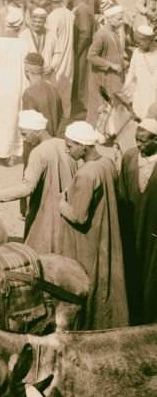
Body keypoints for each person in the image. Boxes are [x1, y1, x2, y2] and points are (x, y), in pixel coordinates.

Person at [59, 120, 128, 329]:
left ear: (83, 146)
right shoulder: (107, 163)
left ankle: (88, 326)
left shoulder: (86, 174)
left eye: (70, 146)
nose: (66, 150)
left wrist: (62, 204)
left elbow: (79, 217)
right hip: (105, 233)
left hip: (87, 241)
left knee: (86, 282)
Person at [0, 110, 76, 255]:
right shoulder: (65, 145)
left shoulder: (38, 152)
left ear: (37, 131)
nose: (24, 139)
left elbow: (27, 188)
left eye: (24, 134)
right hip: (66, 213)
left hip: (46, 216)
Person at [0, 6, 35, 162]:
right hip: (16, 85)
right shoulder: (24, 44)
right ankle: (12, 153)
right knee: (12, 117)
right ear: (20, 25)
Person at [119, 118, 157, 323]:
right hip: (133, 228)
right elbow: (122, 193)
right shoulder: (129, 157)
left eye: (143, 141)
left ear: (156, 140)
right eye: (137, 140)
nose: (139, 145)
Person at [86, 4, 126, 125]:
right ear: (110, 18)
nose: (122, 22)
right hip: (102, 80)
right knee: (98, 109)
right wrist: (111, 65)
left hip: (112, 79)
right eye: (119, 19)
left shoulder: (113, 33)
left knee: (112, 110)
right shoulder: (101, 35)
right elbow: (91, 56)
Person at [42, 0, 74, 121]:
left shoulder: (53, 17)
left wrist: (48, 64)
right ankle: (65, 122)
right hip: (68, 57)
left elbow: (51, 42)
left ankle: (53, 122)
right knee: (66, 92)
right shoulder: (70, 14)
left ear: (49, 0)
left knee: (53, 92)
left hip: (56, 58)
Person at [21, 51, 63, 138]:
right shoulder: (54, 90)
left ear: (27, 70)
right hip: (52, 139)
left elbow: (29, 128)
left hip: (38, 142)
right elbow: (60, 118)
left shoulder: (29, 93)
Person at [123, 24, 157, 121]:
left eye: (139, 42)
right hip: (140, 94)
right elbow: (131, 72)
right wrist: (125, 87)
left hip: (154, 96)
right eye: (136, 42)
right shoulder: (136, 52)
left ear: (149, 40)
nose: (137, 45)